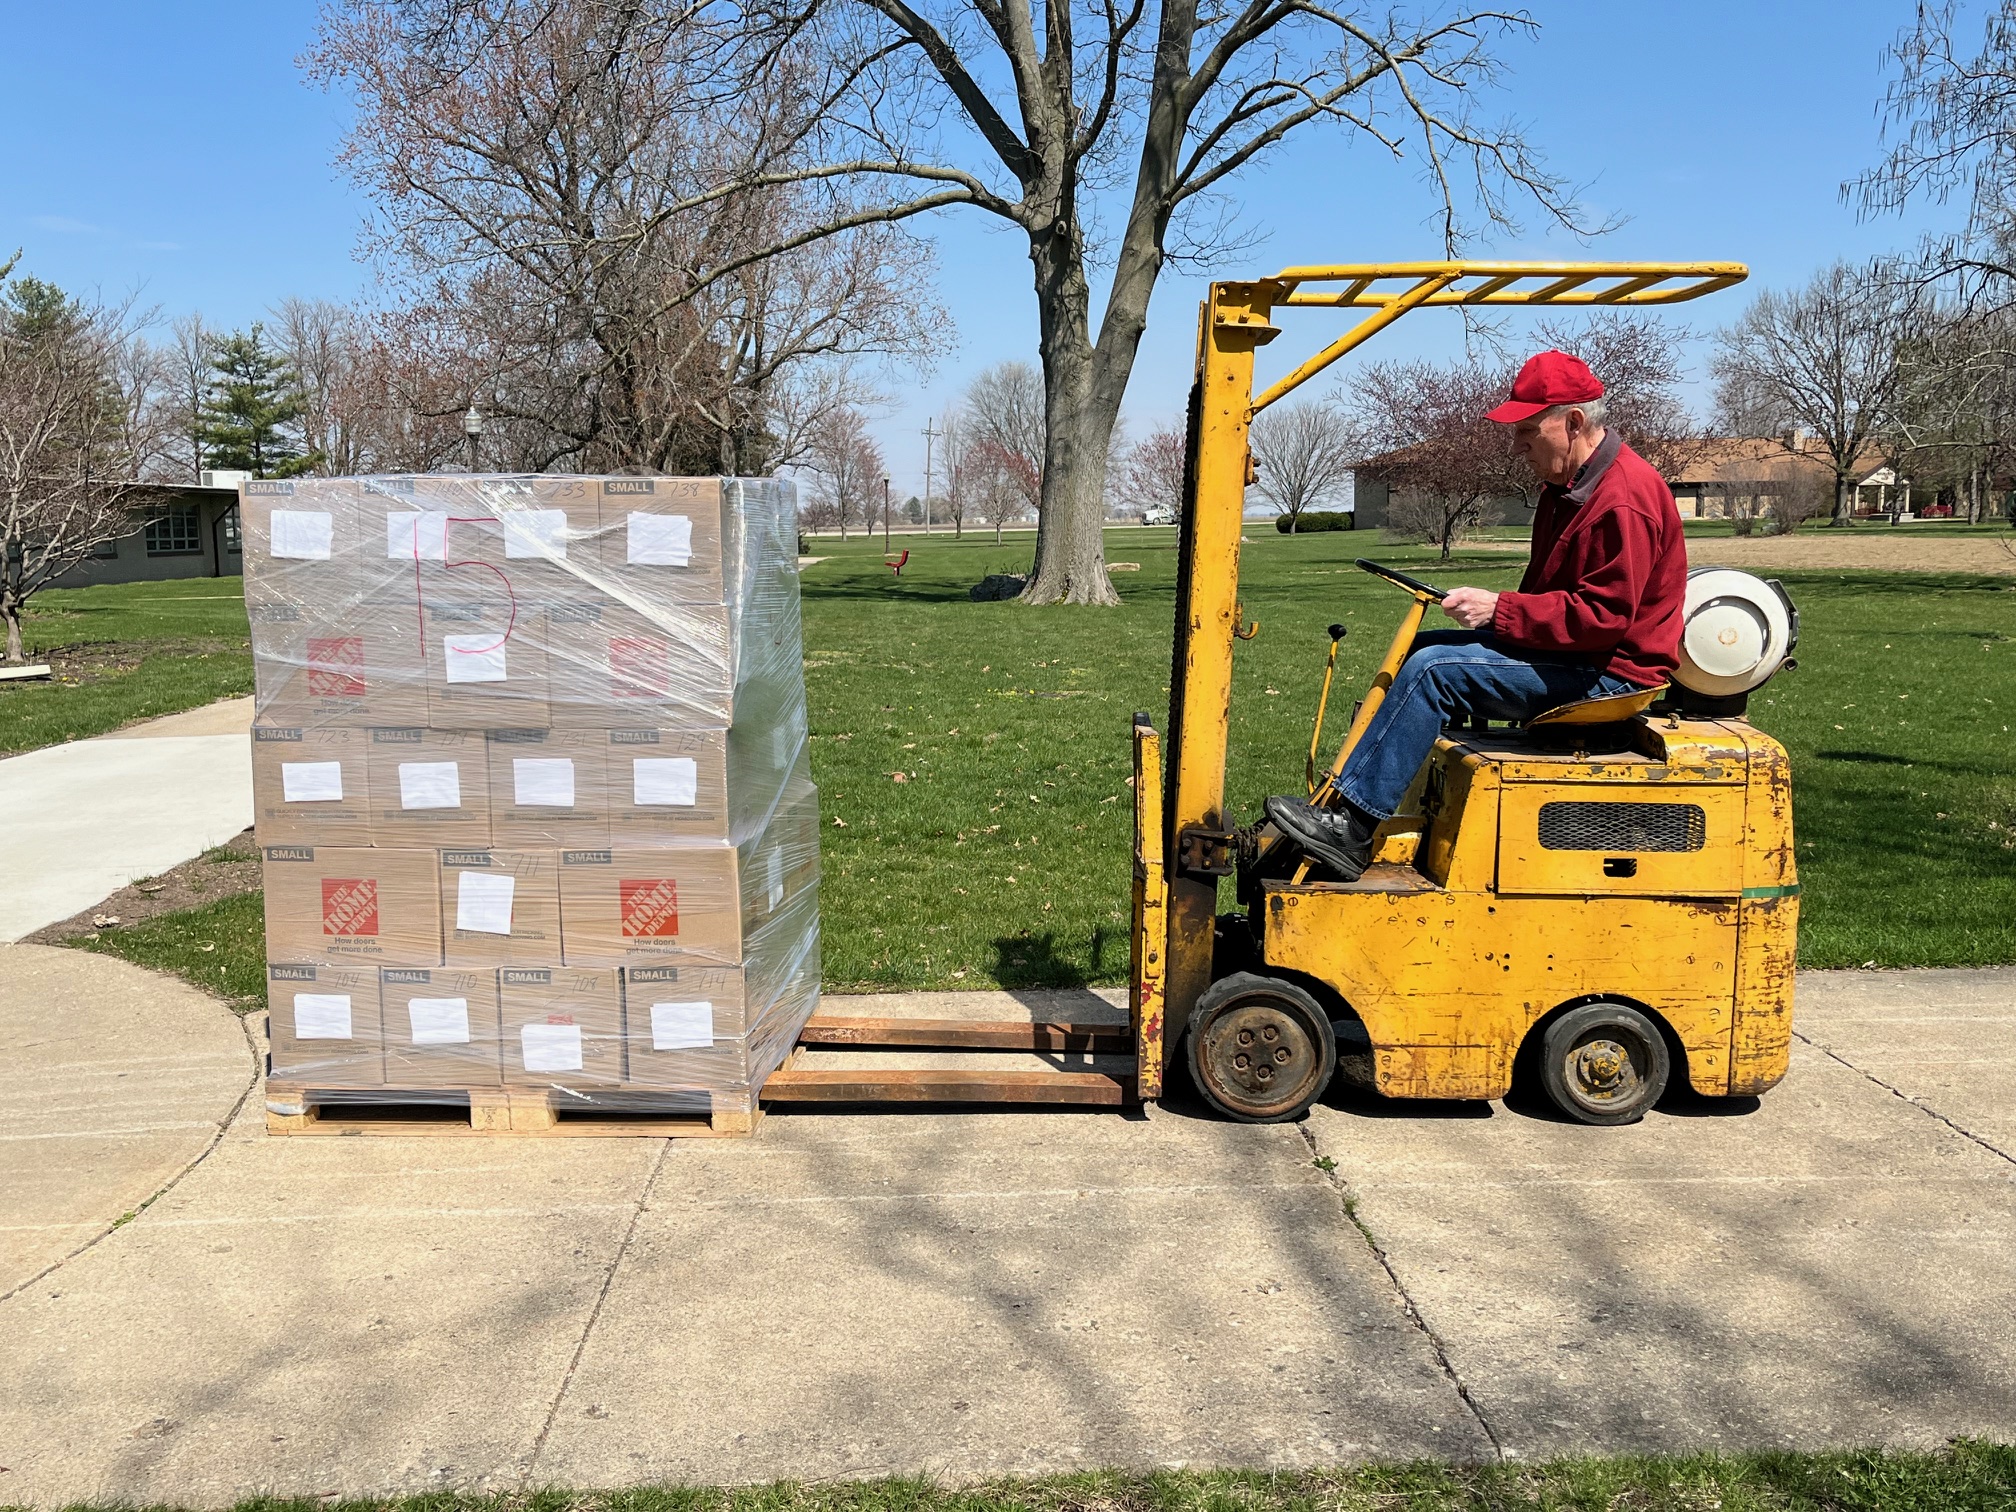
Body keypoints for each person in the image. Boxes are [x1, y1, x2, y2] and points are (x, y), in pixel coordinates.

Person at [1266, 350, 1688, 881]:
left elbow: (1604, 617)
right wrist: (1504, 619)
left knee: (1435, 671)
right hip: (1583, 656)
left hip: (1612, 673)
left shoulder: (1621, 499)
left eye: (1527, 431)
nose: (1517, 446)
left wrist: (1500, 609)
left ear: (1574, 422)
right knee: (1424, 648)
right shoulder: (1569, 490)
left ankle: (1352, 828)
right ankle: (1379, 794)